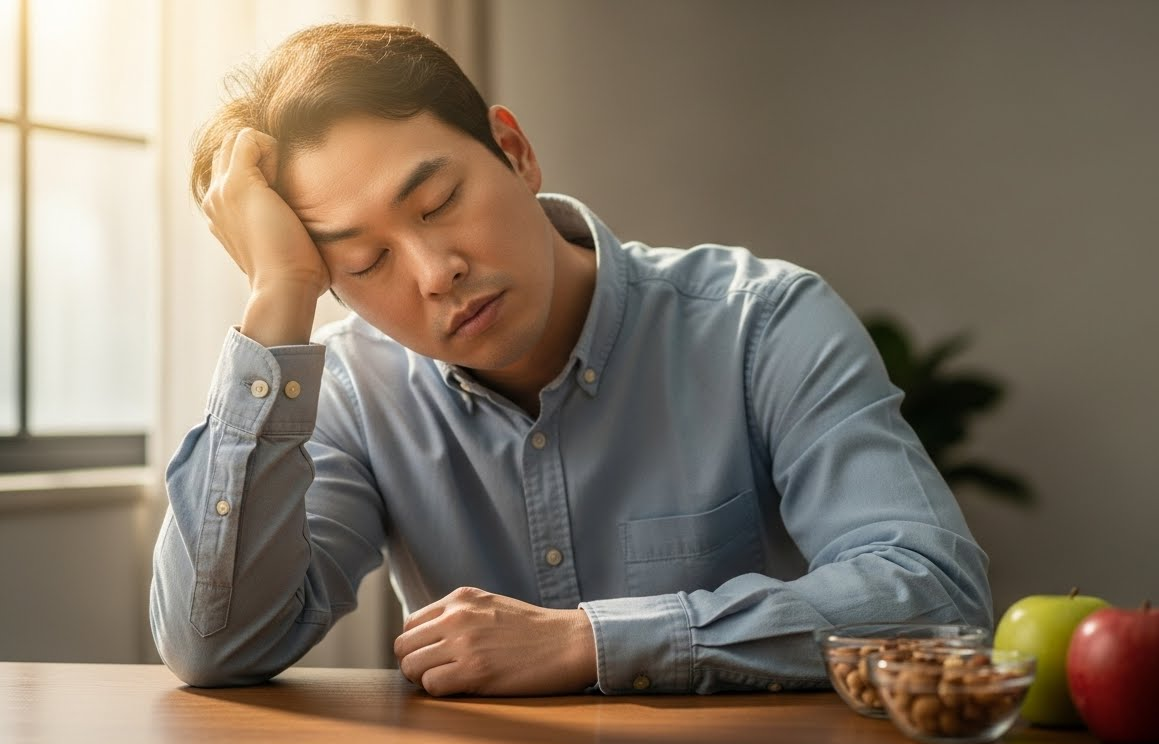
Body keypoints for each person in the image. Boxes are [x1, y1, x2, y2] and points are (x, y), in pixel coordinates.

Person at [150, 22, 992, 696]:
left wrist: (592, 642)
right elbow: (215, 648)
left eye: (440, 202)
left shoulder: (760, 323)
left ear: (513, 153)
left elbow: (933, 597)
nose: (434, 271)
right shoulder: (353, 387)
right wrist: (278, 300)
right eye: (362, 264)